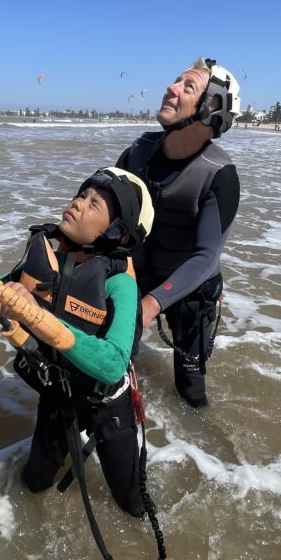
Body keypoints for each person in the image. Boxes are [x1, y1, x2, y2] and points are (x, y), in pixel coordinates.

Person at [0, 167, 155, 517]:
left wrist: (36, 314)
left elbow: (113, 364)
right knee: (34, 483)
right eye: (82, 195)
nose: (78, 204)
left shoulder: (119, 283)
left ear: (117, 233)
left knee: (133, 504)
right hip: (60, 395)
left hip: (106, 405)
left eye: (94, 204)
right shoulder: (49, 259)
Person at [116, 57, 241, 408]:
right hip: (134, 278)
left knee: (190, 392)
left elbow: (206, 257)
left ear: (212, 107)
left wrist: (150, 305)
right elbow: (103, 214)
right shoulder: (138, 152)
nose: (171, 88)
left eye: (188, 87)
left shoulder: (220, 174)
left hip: (189, 292)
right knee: (116, 367)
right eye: (175, 81)